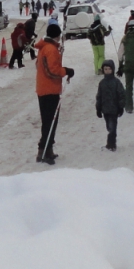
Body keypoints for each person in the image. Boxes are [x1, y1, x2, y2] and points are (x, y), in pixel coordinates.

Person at [36, 22, 75, 164]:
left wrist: (62, 69)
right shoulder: (50, 49)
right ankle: (44, 151)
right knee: (50, 122)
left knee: (48, 121)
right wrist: (66, 71)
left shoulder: (44, 48)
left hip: (44, 89)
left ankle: (47, 149)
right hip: (49, 90)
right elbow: (53, 70)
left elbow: (44, 67)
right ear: (56, 36)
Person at [95, 59, 126, 150]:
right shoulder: (102, 83)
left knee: (112, 127)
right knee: (109, 126)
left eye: (109, 69)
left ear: (112, 70)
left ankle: (111, 144)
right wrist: (98, 108)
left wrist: (121, 106)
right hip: (105, 109)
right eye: (105, 69)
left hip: (114, 109)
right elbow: (99, 96)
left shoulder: (116, 82)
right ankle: (111, 141)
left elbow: (121, 94)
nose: (107, 71)